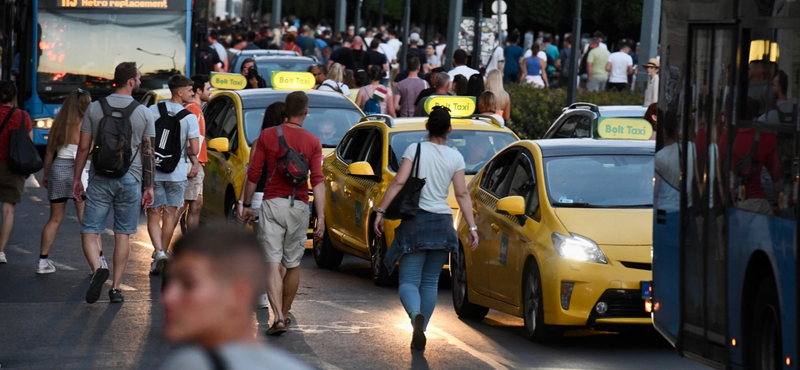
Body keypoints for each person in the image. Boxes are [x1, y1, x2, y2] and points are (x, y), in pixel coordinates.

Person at [373, 106, 479, 351]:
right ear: (449, 129)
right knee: (430, 282)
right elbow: (462, 193)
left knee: (409, 281)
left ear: (427, 127)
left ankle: (414, 317)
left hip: (416, 222)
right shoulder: (455, 157)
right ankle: (421, 329)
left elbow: (399, 181)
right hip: (442, 223)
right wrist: (472, 227)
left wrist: (381, 212)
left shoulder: (415, 149)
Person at [158, 226, 313, 370]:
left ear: (239, 295)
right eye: (168, 283)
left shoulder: (190, 364)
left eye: (188, 284)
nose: (167, 298)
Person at [240, 91, 326, 337]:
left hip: (272, 203)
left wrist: (246, 204)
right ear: (306, 111)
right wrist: (321, 216)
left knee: (271, 261)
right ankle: (285, 314)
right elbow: (317, 181)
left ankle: (276, 315)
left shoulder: (268, 135)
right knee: (293, 263)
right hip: (299, 205)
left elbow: (254, 174)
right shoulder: (313, 141)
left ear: (285, 110)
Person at [72, 62, 156, 304]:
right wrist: (148, 186)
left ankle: (98, 269)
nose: (140, 82)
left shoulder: (95, 109)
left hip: (99, 177)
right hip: (131, 178)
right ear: (130, 81)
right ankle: (116, 289)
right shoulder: (143, 112)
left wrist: (78, 179)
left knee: (90, 230)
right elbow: (148, 152)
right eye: (138, 79)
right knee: (122, 234)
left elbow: (83, 148)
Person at [38, 89, 98, 274]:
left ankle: (43, 261)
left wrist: (46, 175)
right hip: (80, 172)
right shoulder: (88, 124)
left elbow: (49, 153)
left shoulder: (59, 124)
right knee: (86, 220)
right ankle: (98, 262)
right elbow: (89, 151)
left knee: (55, 219)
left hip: (58, 168)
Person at [147, 75, 200, 277]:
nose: (193, 93)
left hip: (154, 171)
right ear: (179, 91)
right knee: (170, 213)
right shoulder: (189, 117)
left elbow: (146, 141)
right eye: (190, 90)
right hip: (176, 173)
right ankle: (162, 252)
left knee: (153, 213)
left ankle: (159, 252)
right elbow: (194, 148)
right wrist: (182, 147)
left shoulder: (153, 111)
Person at [237, 102, 286, 310]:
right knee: (281, 249)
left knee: (265, 247)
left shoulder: (259, 142)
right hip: (284, 198)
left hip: (259, 198)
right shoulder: (294, 141)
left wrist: (242, 202)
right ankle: (276, 288)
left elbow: (252, 174)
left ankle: (265, 291)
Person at [0, 81, 32, 264]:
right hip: (13, 167)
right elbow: (29, 143)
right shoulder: (22, 116)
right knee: (8, 210)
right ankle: (1, 251)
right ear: (14, 96)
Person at [183, 75, 211, 231]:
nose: (210, 91)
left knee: (195, 204)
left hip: (195, 162)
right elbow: (190, 140)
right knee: (183, 206)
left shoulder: (194, 109)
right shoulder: (193, 110)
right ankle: (163, 247)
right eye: (208, 88)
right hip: (192, 164)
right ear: (198, 90)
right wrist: (194, 161)